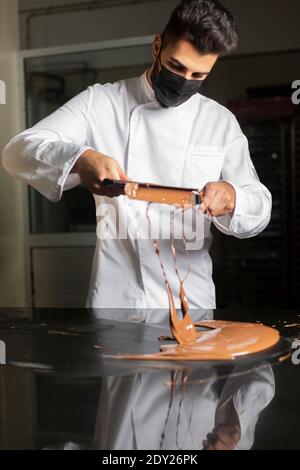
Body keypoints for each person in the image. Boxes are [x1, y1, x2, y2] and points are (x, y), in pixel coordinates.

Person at [2, 0, 272, 312]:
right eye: (176, 66)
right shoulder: (101, 103)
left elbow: (260, 206)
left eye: (198, 75)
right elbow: (17, 152)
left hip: (192, 304)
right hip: (116, 300)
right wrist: (80, 157)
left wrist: (232, 196)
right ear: (157, 46)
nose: (185, 80)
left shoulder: (219, 122)